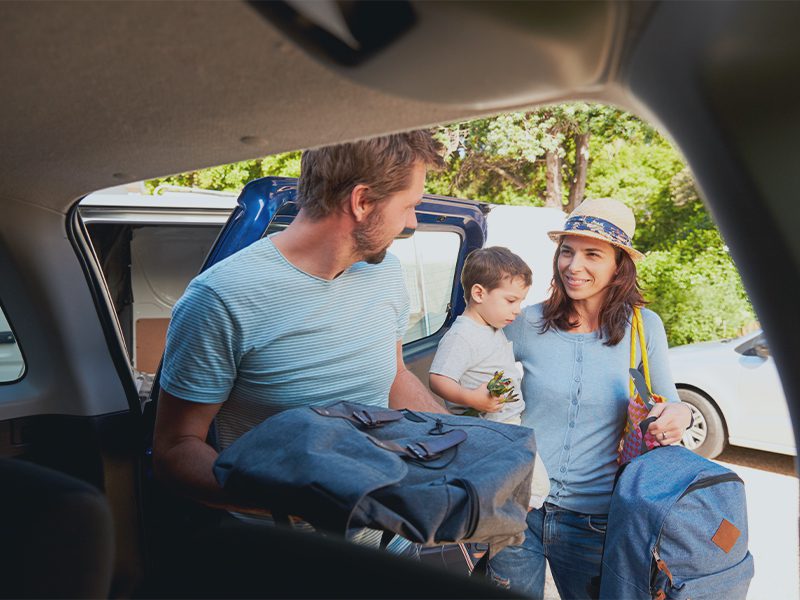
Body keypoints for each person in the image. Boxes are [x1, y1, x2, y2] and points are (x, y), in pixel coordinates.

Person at [153, 131, 447, 537]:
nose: (411, 221)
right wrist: (292, 503)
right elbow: (175, 450)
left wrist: (459, 446)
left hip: (388, 545)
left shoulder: (386, 272)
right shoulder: (222, 298)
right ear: (362, 202)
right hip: (284, 561)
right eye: (410, 206)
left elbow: (395, 377)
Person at [487, 198, 693, 599]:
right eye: (567, 251)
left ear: (619, 265)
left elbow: (668, 399)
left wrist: (679, 414)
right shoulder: (527, 321)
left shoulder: (643, 327)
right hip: (516, 507)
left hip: (596, 520)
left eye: (592, 254)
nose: (573, 265)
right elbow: (474, 360)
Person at [428, 246, 550, 509]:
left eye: (520, 301)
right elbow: (438, 378)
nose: (518, 310)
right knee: (537, 488)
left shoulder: (490, 327)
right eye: (511, 300)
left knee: (521, 488)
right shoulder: (463, 335)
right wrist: (472, 398)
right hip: (491, 425)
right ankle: (493, 535)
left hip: (507, 423)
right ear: (479, 293)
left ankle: (490, 533)